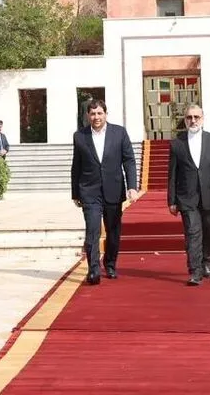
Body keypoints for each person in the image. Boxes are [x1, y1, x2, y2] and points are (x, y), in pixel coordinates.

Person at [70, 99, 138, 285]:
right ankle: (93, 269)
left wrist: (132, 186)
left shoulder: (119, 133)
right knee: (92, 230)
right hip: (89, 191)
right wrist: (75, 193)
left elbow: (129, 160)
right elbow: (76, 165)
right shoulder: (80, 136)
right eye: (92, 114)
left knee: (113, 231)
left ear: (106, 114)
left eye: (99, 113)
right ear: (88, 116)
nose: (96, 117)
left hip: (113, 189)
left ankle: (110, 263)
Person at [167, 104, 210, 286]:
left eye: (196, 117)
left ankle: (206, 263)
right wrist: (171, 200)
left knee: (209, 232)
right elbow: (172, 175)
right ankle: (194, 271)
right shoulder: (177, 143)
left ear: (202, 119)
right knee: (192, 232)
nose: (193, 121)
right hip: (187, 197)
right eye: (189, 117)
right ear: (185, 120)